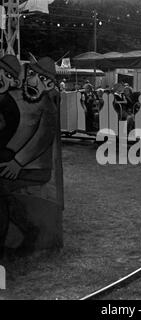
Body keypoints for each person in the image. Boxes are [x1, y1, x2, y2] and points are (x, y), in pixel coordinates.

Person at [0, 56, 58, 257]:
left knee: (2, 189)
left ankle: (27, 233)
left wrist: (18, 162)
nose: (34, 81)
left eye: (43, 79)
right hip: (16, 161)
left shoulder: (47, 106)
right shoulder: (18, 96)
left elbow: (43, 137)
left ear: (50, 85)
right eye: (32, 75)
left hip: (35, 168)